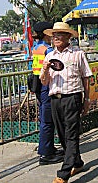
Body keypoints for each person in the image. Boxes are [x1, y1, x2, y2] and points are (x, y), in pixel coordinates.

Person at [40, 22, 92, 183]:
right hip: (55, 99)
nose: (56, 37)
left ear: (68, 36)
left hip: (72, 97)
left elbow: (86, 77)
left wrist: (87, 100)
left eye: (60, 34)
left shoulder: (78, 54)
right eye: (54, 34)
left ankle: (64, 172)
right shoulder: (49, 56)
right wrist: (45, 70)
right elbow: (44, 82)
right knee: (62, 134)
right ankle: (77, 162)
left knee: (71, 134)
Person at [30, 21, 64, 165]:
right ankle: (46, 154)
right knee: (48, 120)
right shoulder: (48, 50)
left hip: (37, 85)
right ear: (46, 33)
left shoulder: (36, 47)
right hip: (46, 86)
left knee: (45, 118)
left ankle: (48, 147)